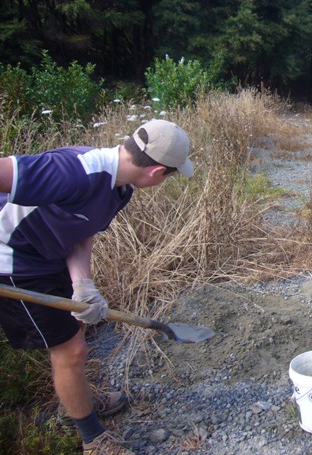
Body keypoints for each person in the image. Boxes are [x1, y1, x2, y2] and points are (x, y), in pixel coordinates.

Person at [0, 119, 194, 454]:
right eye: (170, 176)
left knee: (74, 331)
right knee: (71, 351)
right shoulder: (75, 171)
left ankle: (77, 399)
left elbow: (80, 232)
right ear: (157, 172)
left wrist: (83, 284)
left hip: (46, 256)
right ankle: (93, 439)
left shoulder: (121, 187)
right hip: (14, 263)